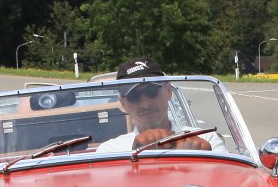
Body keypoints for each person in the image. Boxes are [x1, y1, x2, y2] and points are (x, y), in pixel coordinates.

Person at [94, 58, 227, 153]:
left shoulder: (206, 139)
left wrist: (200, 158)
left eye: (151, 91)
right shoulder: (110, 151)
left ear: (168, 91)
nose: (145, 104)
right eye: (134, 96)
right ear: (123, 103)